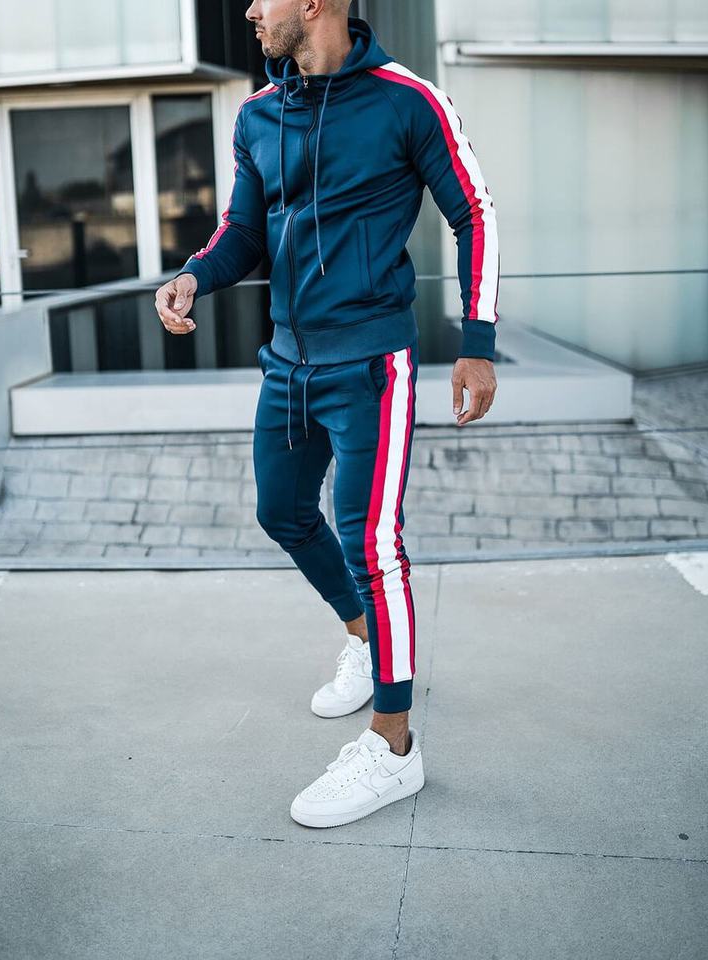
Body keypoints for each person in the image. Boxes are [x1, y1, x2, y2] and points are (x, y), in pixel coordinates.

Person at [155, 0, 499, 828]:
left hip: (372, 364)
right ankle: (364, 638)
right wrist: (194, 274)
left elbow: (474, 212)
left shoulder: (407, 100)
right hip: (288, 361)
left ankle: (393, 747)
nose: (249, 10)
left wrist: (478, 341)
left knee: (372, 544)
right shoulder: (257, 113)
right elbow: (242, 231)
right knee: (281, 511)